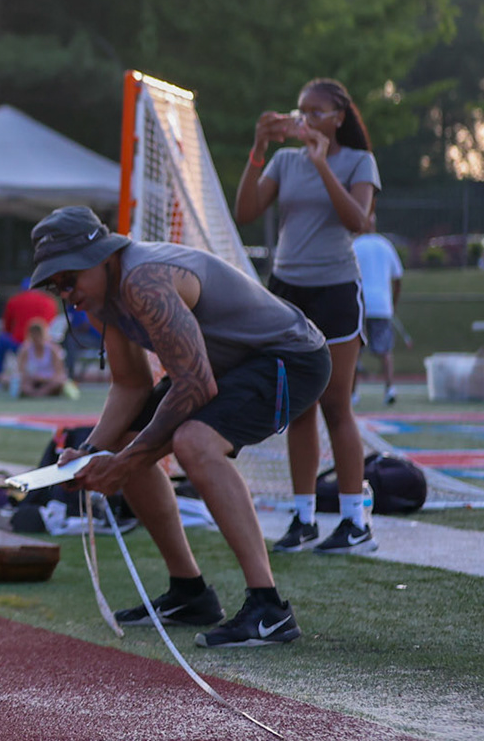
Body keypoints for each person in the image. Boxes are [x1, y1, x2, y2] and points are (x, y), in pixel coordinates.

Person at [31, 206, 330, 648]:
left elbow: (197, 385)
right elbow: (131, 385)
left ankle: (270, 609)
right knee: (125, 439)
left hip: (291, 357)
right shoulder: (102, 299)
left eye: (69, 278)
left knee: (194, 442)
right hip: (226, 366)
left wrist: (124, 464)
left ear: (102, 257)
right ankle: (190, 593)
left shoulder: (143, 281)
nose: (66, 293)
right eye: (55, 285)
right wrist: (91, 452)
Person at [233, 77, 381, 555]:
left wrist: (321, 164)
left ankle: (355, 523)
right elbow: (246, 211)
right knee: (296, 407)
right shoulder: (284, 161)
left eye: (317, 112)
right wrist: (259, 148)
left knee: (336, 406)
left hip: (335, 289)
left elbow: (358, 221)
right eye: (301, 111)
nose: (306, 119)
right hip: (286, 290)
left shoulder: (358, 161)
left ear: (339, 117)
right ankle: (303, 518)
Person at [352, 218, 404, 406]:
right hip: (382, 305)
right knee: (385, 350)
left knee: (355, 351)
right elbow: (398, 278)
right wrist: (393, 304)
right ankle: (389, 389)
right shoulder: (386, 245)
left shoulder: (355, 245)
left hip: (360, 305)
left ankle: (353, 393)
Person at [0, 283, 58, 383]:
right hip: (44, 344)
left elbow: (6, 328)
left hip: (20, 344)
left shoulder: (14, 300)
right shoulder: (49, 301)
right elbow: (54, 325)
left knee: (2, 338)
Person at [13, 317, 68, 398]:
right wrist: (32, 377)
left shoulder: (53, 349)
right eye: (34, 334)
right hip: (32, 380)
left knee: (58, 383)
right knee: (23, 384)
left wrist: (44, 378)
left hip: (49, 380)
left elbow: (59, 372)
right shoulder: (25, 350)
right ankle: (35, 393)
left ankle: (39, 393)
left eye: (38, 334)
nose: (36, 337)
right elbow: (20, 370)